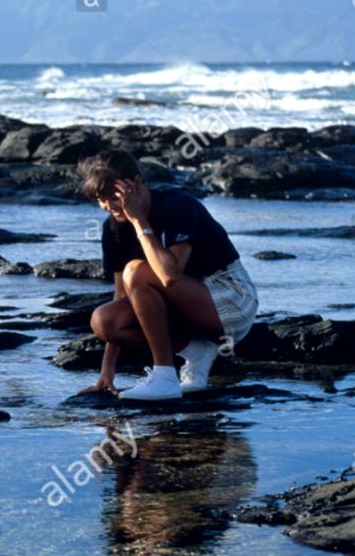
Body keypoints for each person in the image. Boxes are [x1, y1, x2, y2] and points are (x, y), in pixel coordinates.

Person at [75, 150, 258, 401]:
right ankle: (196, 352)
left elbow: (168, 274)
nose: (108, 206)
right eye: (100, 199)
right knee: (105, 321)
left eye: (112, 196)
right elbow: (121, 296)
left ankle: (164, 377)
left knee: (137, 270)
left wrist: (139, 220)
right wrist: (107, 372)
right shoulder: (113, 228)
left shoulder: (179, 205)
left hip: (230, 299)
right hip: (183, 311)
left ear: (136, 184)